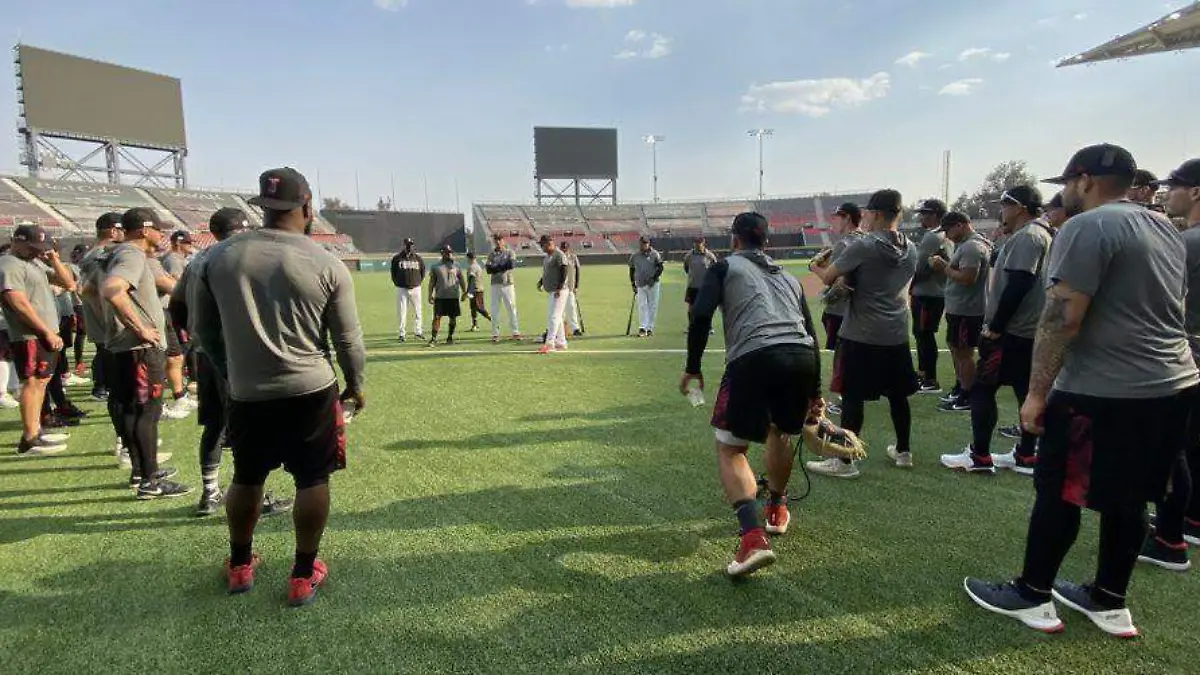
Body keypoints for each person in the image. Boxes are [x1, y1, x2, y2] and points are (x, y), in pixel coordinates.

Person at [965, 144, 1199, 639]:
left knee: (1060, 493)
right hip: (1172, 383)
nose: (1064, 193)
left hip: (1103, 386)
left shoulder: (1086, 226)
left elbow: (1062, 317)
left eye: (1067, 184)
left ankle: (1032, 593)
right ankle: (1109, 600)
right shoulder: (1164, 226)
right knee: (1132, 497)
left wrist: (1036, 393)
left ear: (1086, 180)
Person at [193, 167, 366, 606]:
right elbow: (348, 340)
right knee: (312, 478)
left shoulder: (216, 258)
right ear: (307, 205)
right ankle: (303, 574)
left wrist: (230, 372)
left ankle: (239, 564)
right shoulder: (325, 262)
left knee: (247, 476)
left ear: (261, 206)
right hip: (311, 388)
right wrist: (356, 385)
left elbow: (202, 330)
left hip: (248, 392)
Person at [680, 212, 821, 577]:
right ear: (767, 241)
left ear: (735, 239)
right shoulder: (789, 277)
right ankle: (776, 508)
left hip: (755, 357)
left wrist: (693, 367)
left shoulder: (725, 267)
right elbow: (810, 330)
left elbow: (699, 317)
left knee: (730, 448)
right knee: (780, 431)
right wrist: (815, 391)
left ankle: (752, 537)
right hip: (801, 357)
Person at [171, 207, 294, 519]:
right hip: (238, 354)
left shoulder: (197, 260)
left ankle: (209, 493)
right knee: (246, 427)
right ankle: (253, 495)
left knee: (215, 425)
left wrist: (192, 338)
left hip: (204, 352)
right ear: (242, 229)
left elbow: (176, 305)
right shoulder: (243, 257)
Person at [808, 189, 918, 478]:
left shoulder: (864, 245)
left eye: (868, 212)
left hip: (861, 332)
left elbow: (830, 278)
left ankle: (845, 462)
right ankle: (904, 452)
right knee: (897, 396)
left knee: (852, 395)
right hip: (896, 332)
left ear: (877, 214)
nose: (865, 217)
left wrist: (814, 268)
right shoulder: (912, 248)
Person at [943, 186, 1052, 475]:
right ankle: (1026, 454)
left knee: (981, 389)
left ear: (1019, 207)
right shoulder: (1036, 234)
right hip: (1028, 331)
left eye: (1004, 205)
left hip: (1013, 333)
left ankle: (980, 456)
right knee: (1023, 390)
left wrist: (996, 327)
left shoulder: (1029, 236)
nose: (1000, 211)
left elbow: (1019, 282)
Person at [102, 208, 189, 499]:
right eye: (158, 230)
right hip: (139, 348)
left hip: (124, 345)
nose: (162, 235)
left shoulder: (115, 253)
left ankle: (142, 471)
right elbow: (113, 290)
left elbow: (86, 288)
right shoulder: (132, 255)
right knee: (146, 412)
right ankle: (150, 481)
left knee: (132, 410)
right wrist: (140, 328)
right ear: (143, 230)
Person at [1141, 158, 1200, 570]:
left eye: (1174, 186)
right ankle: (1189, 520)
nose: (1167, 193)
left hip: (1186, 352)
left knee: (1172, 449)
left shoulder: (1188, 242)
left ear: (1195, 191)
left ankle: (1169, 539)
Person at [0, 225, 74, 456]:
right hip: (30, 334)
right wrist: (45, 332)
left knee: (41, 383)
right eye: (32, 247)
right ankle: (29, 438)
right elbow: (17, 302)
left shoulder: (34, 262)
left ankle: (36, 430)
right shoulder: (8, 263)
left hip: (42, 332)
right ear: (17, 241)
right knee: (33, 383)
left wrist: (54, 259)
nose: (36, 252)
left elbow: (69, 284)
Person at [929, 212, 990, 414]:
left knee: (964, 352)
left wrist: (943, 266)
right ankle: (961, 387)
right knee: (956, 348)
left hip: (968, 309)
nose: (946, 235)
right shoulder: (966, 245)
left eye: (948, 229)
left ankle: (968, 393)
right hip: (961, 308)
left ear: (960, 225)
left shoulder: (972, 246)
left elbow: (967, 278)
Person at [816, 203, 864, 416]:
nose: (833, 221)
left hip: (842, 309)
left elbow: (833, 281)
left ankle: (846, 397)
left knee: (843, 356)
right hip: (860, 308)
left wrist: (815, 267)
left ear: (847, 218)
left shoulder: (844, 244)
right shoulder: (866, 240)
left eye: (837, 217)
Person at [79, 212, 124, 403]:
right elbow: (91, 289)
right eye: (122, 229)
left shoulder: (95, 252)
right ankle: (102, 388)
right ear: (113, 231)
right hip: (101, 311)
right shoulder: (101, 254)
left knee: (104, 351)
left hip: (98, 309)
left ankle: (102, 387)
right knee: (107, 352)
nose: (125, 234)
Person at [911, 199, 953, 394]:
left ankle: (929, 379)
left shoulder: (932, 237)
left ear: (935, 215)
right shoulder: (947, 235)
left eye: (925, 213)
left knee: (923, 335)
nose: (922, 217)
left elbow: (919, 267)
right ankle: (924, 375)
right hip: (936, 292)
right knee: (924, 334)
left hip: (927, 293)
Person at [152, 233, 193, 419]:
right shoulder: (171, 259)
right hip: (161, 310)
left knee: (175, 356)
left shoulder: (158, 260)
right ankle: (158, 404)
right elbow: (174, 284)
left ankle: (179, 396)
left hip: (165, 310)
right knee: (163, 358)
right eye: (187, 242)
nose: (190, 245)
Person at [536, 235, 570, 355]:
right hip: (551, 290)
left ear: (548, 243)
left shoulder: (558, 254)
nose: (541, 247)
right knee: (558, 317)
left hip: (559, 291)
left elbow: (564, 270)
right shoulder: (547, 257)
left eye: (542, 244)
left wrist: (559, 288)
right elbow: (547, 273)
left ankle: (550, 343)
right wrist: (541, 282)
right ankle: (561, 342)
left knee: (554, 317)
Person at [427, 245, 467, 347]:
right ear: (442, 253)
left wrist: (464, 292)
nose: (449, 254)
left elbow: (461, 279)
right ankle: (433, 338)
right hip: (440, 297)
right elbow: (432, 282)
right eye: (447, 252)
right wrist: (430, 294)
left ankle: (450, 337)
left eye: (450, 252)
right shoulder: (435, 267)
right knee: (437, 317)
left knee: (453, 318)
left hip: (453, 296)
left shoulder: (456, 266)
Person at [485, 233, 521, 343]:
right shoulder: (491, 254)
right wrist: (501, 267)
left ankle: (515, 332)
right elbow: (488, 270)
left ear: (503, 240)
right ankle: (495, 334)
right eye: (496, 240)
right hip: (495, 284)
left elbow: (511, 265)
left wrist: (496, 267)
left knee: (511, 308)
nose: (497, 242)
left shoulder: (509, 252)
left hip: (508, 283)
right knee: (494, 309)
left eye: (499, 239)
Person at [390, 237, 425, 343]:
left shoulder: (418, 258)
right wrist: (398, 283)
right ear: (404, 245)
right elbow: (393, 273)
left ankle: (418, 331)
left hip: (415, 288)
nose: (409, 247)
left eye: (411, 245)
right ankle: (402, 333)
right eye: (407, 245)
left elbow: (422, 272)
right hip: (402, 288)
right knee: (401, 312)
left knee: (418, 311)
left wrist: (417, 282)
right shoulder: (397, 258)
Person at [629, 236, 664, 337]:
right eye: (641, 243)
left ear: (649, 244)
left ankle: (650, 328)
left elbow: (660, 267)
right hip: (640, 284)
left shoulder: (655, 254)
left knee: (652, 306)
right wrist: (632, 283)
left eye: (645, 243)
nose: (643, 245)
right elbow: (631, 270)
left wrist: (653, 278)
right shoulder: (635, 256)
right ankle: (642, 328)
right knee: (642, 306)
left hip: (653, 284)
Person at [683, 236, 717, 327]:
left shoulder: (709, 256)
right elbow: (686, 268)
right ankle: (691, 325)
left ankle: (708, 327)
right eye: (696, 242)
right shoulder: (688, 256)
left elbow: (715, 269)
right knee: (691, 307)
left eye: (699, 242)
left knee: (706, 307)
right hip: (692, 285)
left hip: (705, 287)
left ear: (703, 243)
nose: (697, 244)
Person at [67, 244, 89, 384]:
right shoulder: (72, 267)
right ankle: (79, 362)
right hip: (79, 304)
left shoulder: (84, 266)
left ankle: (79, 362)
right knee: (81, 334)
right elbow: (76, 288)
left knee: (83, 334)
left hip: (85, 303)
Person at [464, 252, 491, 332]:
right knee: (473, 308)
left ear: (469, 258)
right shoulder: (478, 266)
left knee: (479, 308)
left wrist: (469, 291)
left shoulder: (472, 267)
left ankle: (493, 321)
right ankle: (475, 325)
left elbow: (472, 279)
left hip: (476, 290)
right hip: (477, 289)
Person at [561, 241, 583, 336]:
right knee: (560, 310)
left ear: (568, 248)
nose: (564, 249)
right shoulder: (559, 257)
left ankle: (575, 328)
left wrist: (576, 286)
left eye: (565, 247)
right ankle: (560, 329)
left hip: (570, 286)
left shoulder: (573, 257)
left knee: (571, 307)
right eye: (563, 247)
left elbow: (577, 271)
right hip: (560, 287)